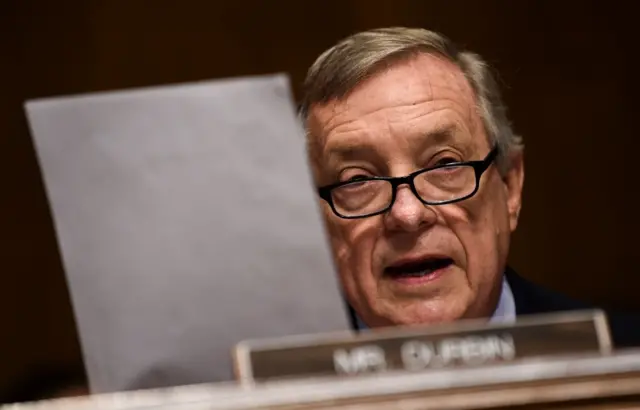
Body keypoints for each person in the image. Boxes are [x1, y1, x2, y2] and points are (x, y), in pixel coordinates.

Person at [299, 27, 640, 347]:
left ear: (510, 186)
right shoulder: (261, 391)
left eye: (445, 165)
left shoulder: (623, 360)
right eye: (359, 180)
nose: (407, 213)